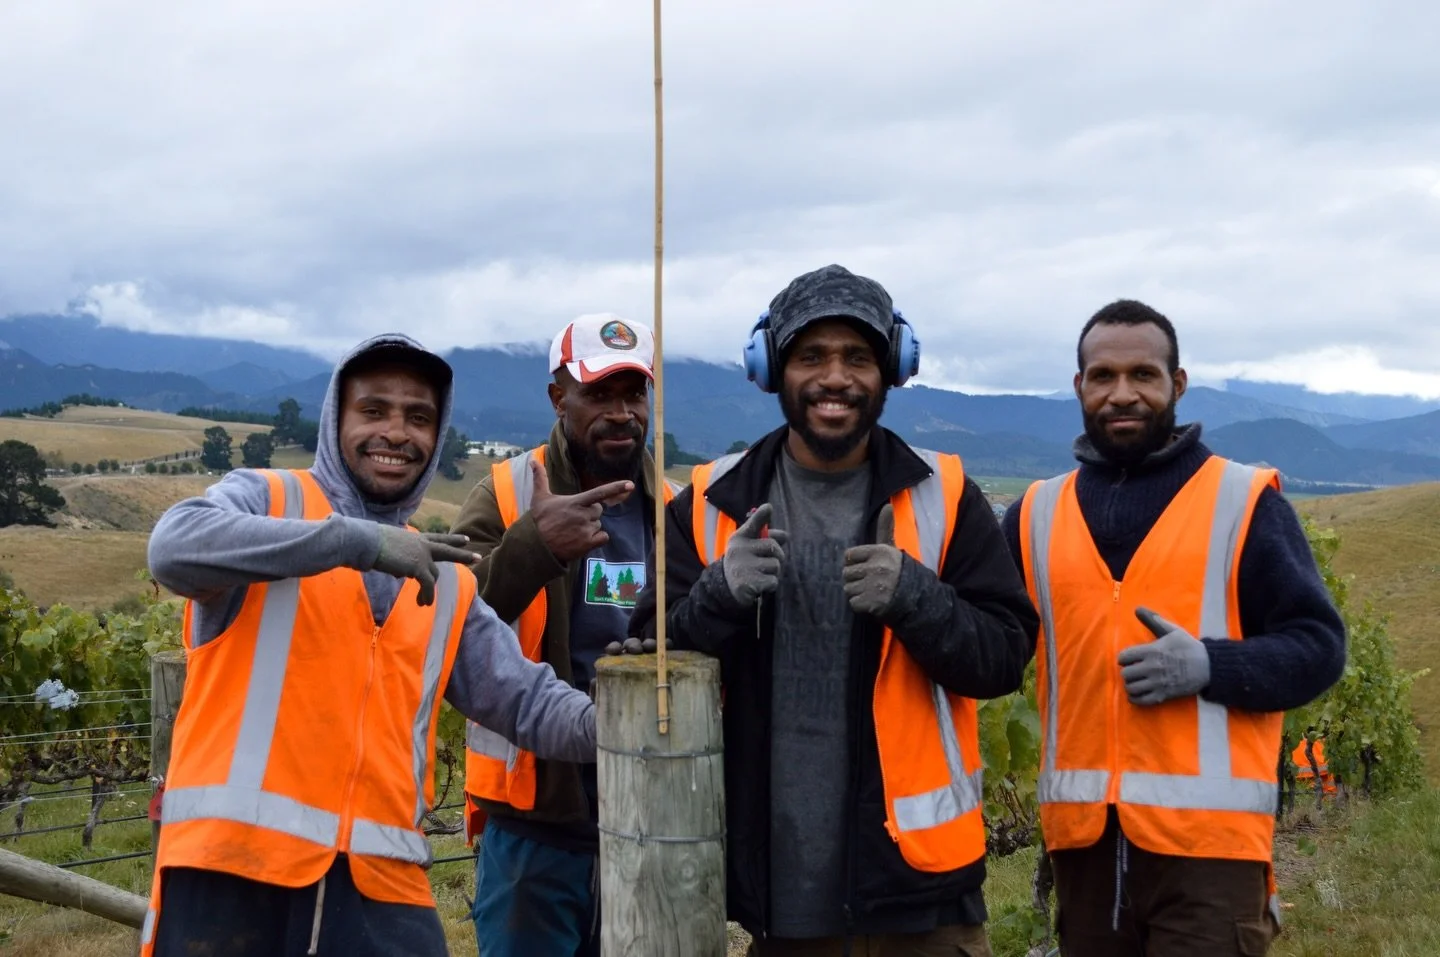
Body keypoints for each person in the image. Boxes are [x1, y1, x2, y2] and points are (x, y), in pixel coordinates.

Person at [141, 334, 597, 957]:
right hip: (232, 869)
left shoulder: (447, 579)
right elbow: (173, 548)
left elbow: (527, 701)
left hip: (383, 885)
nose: (396, 433)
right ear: (336, 419)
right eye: (374, 410)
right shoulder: (269, 499)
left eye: (419, 418)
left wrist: (622, 729)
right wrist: (357, 542)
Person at [630, 264, 1039, 957]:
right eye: (811, 356)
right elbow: (647, 652)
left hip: (921, 895)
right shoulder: (708, 501)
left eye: (857, 357)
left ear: (892, 369)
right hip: (779, 899)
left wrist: (916, 598)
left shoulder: (944, 496)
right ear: (771, 368)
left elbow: (1004, 656)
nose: (835, 377)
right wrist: (717, 597)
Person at [1001, 299, 1347, 957]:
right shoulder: (1035, 515)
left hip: (1210, 855)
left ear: (1177, 384)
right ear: (1078, 386)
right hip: (1084, 851)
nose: (1121, 393)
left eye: (1143, 374)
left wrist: (1212, 665)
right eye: (1103, 376)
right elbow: (985, 636)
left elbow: (1320, 647)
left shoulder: (1242, 502)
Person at [451, 313, 676, 957]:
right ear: (559, 397)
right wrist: (535, 547)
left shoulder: (676, 508)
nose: (621, 414)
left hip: (651, 812)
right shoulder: (505, 494)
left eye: (633, 394)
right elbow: (446, 623)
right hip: (535, 820)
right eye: (599, 394)